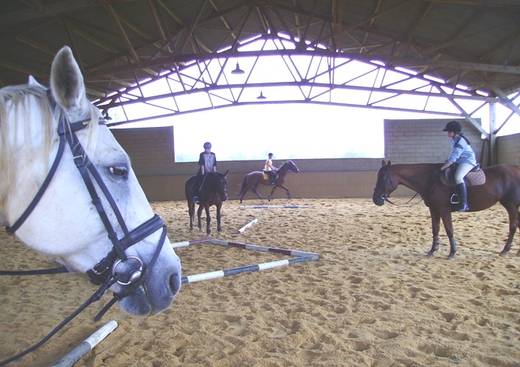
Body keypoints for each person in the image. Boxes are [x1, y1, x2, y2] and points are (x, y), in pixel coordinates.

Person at [440, 120, 477, 212]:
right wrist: (447, 162)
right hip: (460, 161)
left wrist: (443, 167)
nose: (448, 133)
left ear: (455, 131)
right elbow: (453, 154)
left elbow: (453, 158)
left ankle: (464, 204)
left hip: (467, 161)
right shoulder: (455, 139)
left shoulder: (461, 142)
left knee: (458, 177)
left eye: (449, 131)